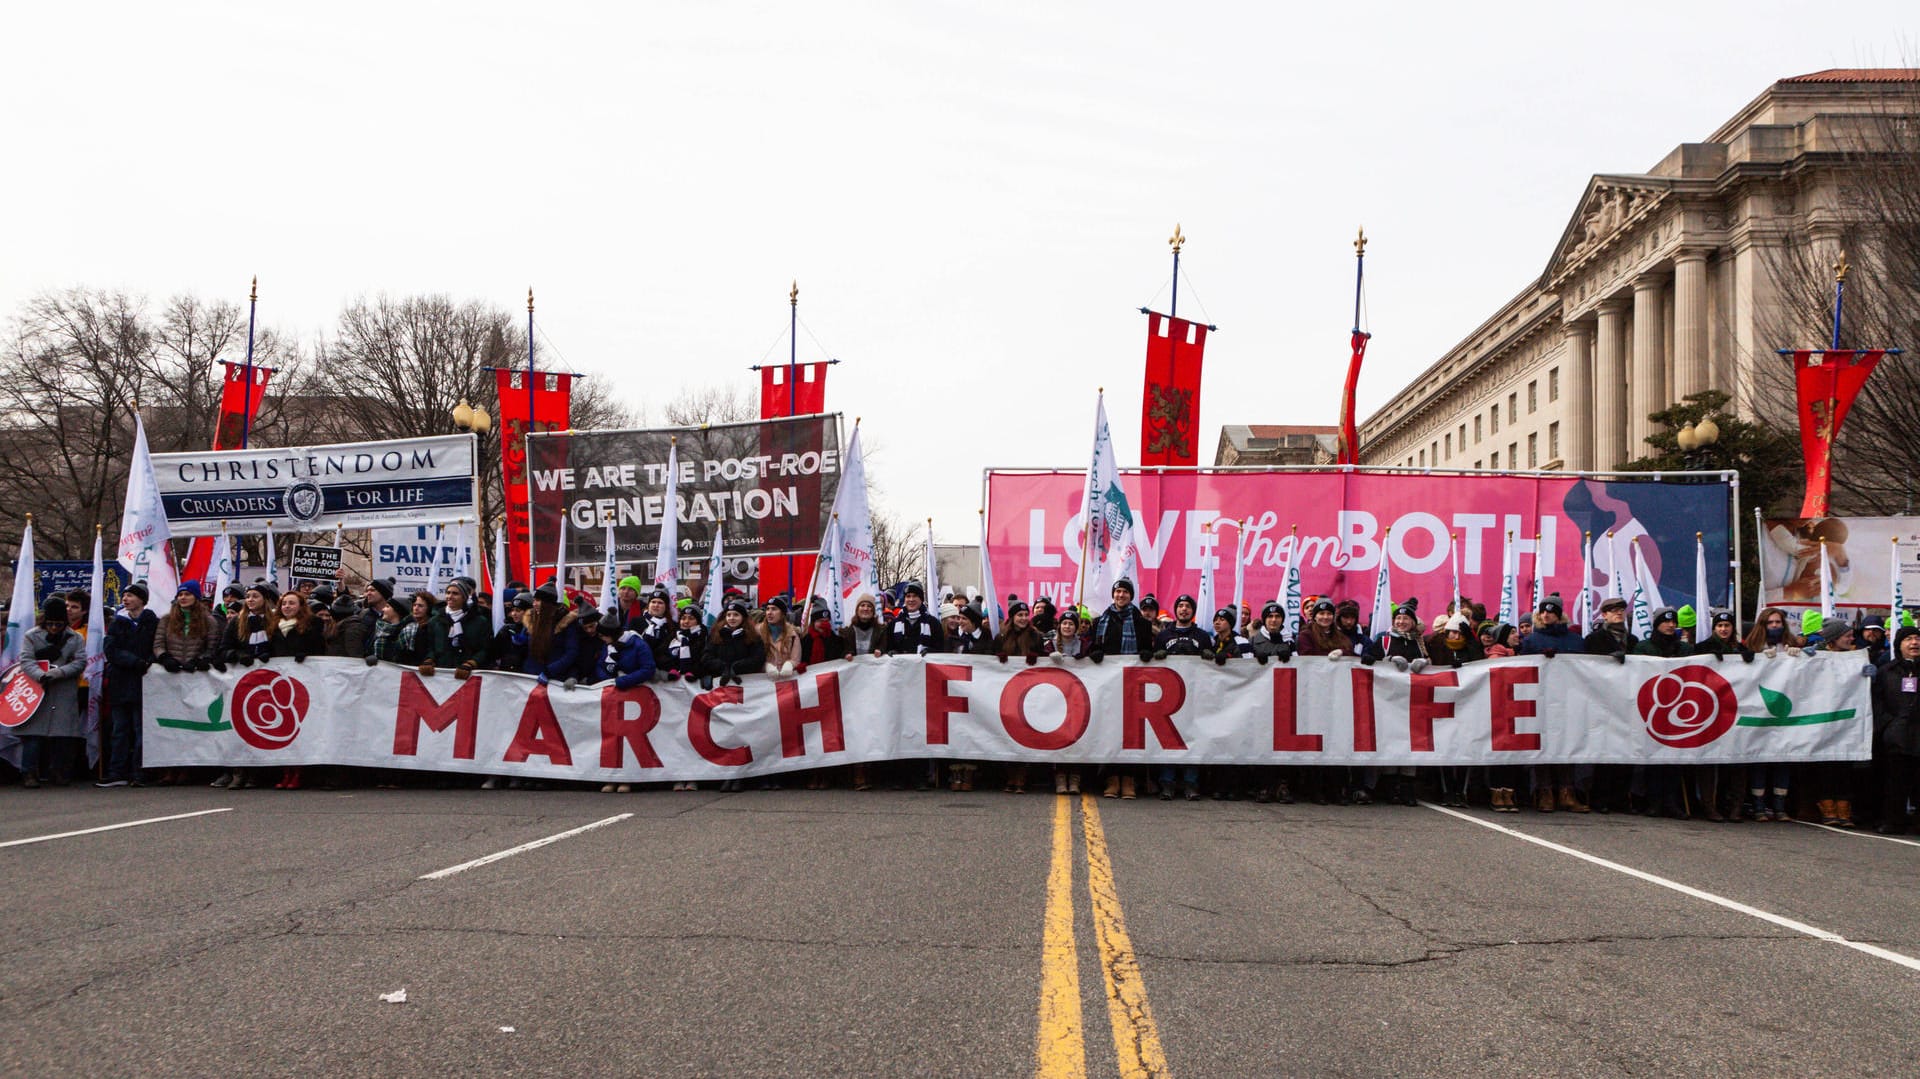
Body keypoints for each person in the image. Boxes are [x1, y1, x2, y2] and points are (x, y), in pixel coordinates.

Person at [1091, 579, 1156, 799]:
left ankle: (1129, 779)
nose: (1121, 595)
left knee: (1131, 734)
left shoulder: (1141, 622)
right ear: (1113, 594)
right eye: (1117, 591)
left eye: (1125, 592)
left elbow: (1148, 647)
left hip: (1133, 685)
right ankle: (1111, 779)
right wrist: (1095, 652)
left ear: (1131, 596)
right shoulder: (1100, 622)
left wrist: (1147, 653)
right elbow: (1093, 647)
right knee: (1110, 731)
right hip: (1108, 687)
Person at [15, 597, 86, 787]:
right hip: (38, 690)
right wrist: (40, 675)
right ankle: (29, 772)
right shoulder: (31, 636)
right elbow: (26, 660)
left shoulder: (75, 638)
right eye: (51, 624)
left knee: (62, 736)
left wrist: (58, 673)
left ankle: (59, 771)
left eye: (59, 624)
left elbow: (80, 662)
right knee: (33, 736)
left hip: (63, 689)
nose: (54, 628)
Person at [1742, 607, 1803, 820]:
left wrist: (1800, 657)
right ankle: (1759, 806)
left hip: (1785, 713)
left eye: (1778, 622)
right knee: (1760, 758)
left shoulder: (1792, 646)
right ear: (1763, 625)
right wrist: (1756, 658)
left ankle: (1780, 807)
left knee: (1782, 759)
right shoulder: (1752, 646)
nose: (1775, 626)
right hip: (1760, 710)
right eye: (1771, 623)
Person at [97, 582, 159, 788]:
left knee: (141, 729)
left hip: (143, 684)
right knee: (119, 730)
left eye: (131, 595)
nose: (126, 599)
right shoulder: (118, 623)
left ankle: (140, 771)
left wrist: (148, 661)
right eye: (124, 595)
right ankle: (117, 771)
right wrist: (134, 662)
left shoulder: (152, 623)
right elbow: (111, 650)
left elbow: (156, 647)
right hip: (120, 683)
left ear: (142, 599)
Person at [993, 601, 1051, 793]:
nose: (1024, 618)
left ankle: (1022, 777)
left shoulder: (1035, 637)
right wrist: (996, 658)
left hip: (1028, 692)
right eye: (1020, 615)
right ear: (1012, 617)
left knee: (1025, 732)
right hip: (1006, 692)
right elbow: (987, 659)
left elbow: (1046, 658)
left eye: (1026, 615)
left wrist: (1039, 657)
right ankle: (1009, 775)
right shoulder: (1001, 637)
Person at [1876, 626, 1920, 834]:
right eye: (1909, 639)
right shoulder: (1887, 671)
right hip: (1897, 736)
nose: (1914, 643)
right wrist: (1888, 725)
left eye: (1917, 639)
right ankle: (1893, 821)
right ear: (1899, 644)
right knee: (1895, 782)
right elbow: (1878, 702)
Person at [430, 578, 489, 675]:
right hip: (440, 674)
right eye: (448, 593)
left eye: (455, 593)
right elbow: (430, 646)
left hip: (468, 674)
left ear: (464, 597)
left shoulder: (479, 621)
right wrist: (429, 660)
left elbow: (485, 648)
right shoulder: (436, 620)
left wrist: (471, 663)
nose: (450, 596)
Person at [886, 583, 946, 656]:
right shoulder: (893, 624)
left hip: (923, 666)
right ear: (904, 599)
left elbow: (940, 649)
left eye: (915, 596)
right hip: (901, 665)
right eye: (908, 596)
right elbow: (888, 646)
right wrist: (892, 651)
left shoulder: (933, 623)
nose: (911, 600)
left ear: (921, 599)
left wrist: (931, 652)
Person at [1153, 594, 1212, 660]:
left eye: (1188, 606)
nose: (1184, 609)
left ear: (1193, 611)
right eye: (1180, 606)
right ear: (1176, 610)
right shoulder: (1162, 636)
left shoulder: (1203, 636)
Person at [761, 598, 801, 678]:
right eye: (768, 609)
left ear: (782, 614)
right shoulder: (758, 633)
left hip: (786, 680)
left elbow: (796, 658)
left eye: (774, 609)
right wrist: (766, 666)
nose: (769, 612)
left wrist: (790, 664)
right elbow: (755, 658)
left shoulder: (792, 634)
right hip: (764, 682)